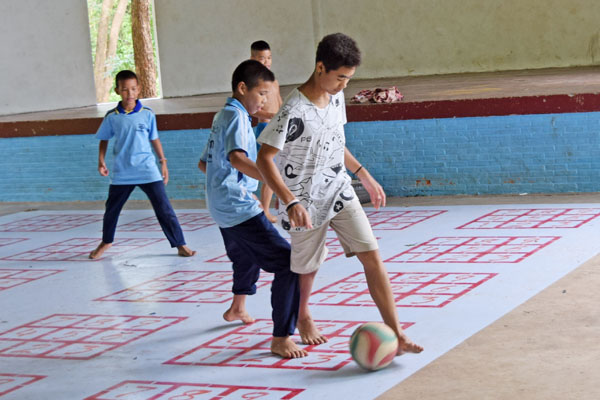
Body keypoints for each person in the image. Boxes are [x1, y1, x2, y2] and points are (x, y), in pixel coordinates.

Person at [256, 33, 423, 354]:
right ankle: (302, 316)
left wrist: (364, 175)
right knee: (305, 267)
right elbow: (264, 158)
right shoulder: (293, 109)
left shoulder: (335, 97)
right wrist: (289, 201)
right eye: (341, 78)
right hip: (302, 200)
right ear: (320, 68)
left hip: (338, 189)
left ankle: (397, 333)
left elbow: (336, 142)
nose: (344, 85)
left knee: (372, 255)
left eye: (348, 79)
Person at [197, 59, 306, 359]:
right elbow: (236, 159)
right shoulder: (235, 117)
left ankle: (237, 307)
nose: (264, 101)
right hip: (236, 205)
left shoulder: (225, 114)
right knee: (287, 264)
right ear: (242, 88)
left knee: (245, 255)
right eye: (261, 94)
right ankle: (282, 336)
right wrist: (273, 180)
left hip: (219, 204)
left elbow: (203, 163)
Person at [90, 70, 196, 260]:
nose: (129, 93)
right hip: (122, 172)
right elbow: (104, 139)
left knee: (164, 208)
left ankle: (180, 244)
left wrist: (163, 162)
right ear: (117, 91)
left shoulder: (147, 114)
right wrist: (101, 161)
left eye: (133, 89)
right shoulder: (112, 116)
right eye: (124, 90)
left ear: (138, 89)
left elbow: (154, 139)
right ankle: (106, 242)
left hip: (148, 170)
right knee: (111, 209)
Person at [249, 40, 282, 223]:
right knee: (269, 170)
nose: (266, 61)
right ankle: (265, 210)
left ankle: (272, 206)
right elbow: (253, 110)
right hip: (265, 128)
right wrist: (272, 115)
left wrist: (284, 114)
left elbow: (278, 100)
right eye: (262, 58)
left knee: (278, 169)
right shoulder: (254, 82)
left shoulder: (273, 79)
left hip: (277, 127)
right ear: (253, 58)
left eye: (269, 58)